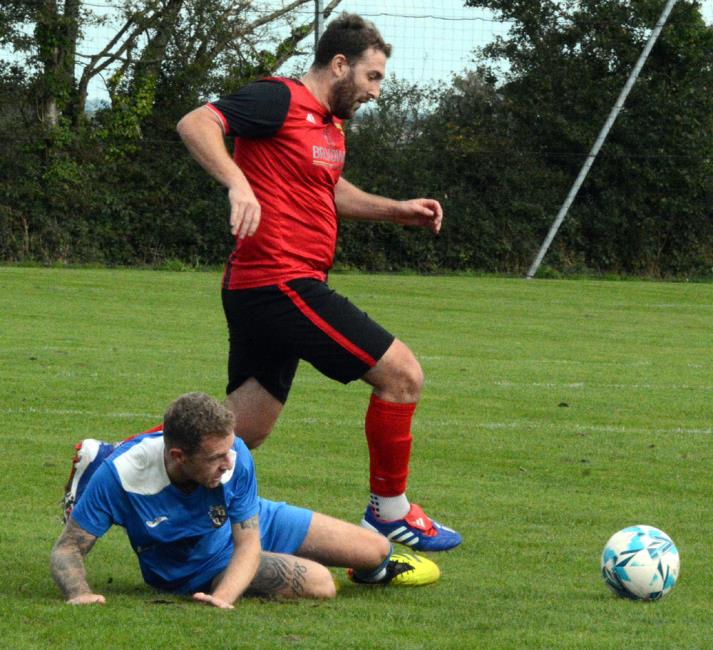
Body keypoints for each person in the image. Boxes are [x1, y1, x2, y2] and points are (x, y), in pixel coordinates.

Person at [176, 13, 460, 551]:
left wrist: (397, 210)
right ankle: (388, 512)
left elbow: (328, 191)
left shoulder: (328, 126)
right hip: (280, 281)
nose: (376, 91)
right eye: (372, 77)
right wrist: (238, 183)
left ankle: (110, 462)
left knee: (239, 435)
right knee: (402, 375)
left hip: (265, 290)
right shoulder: (278, 99)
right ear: (338, 65)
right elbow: (197, 123)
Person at [50, 393, 440, 607]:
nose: (227, 463)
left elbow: (248, 542)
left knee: (375, 549)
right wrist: (80, 593)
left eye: (229, 451)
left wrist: (222, 600)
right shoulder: (122, 477)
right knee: (321, 583)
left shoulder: (232, 454)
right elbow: (68, 549)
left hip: (249, 522)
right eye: (215, 458)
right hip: (199, 565)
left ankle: (368, 569)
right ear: (177, 457)